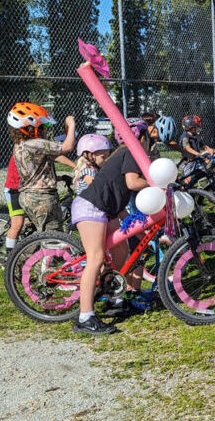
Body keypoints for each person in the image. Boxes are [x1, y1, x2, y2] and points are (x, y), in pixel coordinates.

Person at [70, 119, 151, 335]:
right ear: (141, 138)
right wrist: (156, 183)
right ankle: (85, 317)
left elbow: (119, 193)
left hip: (107, 209)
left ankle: (115, 298)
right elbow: (133, 183)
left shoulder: (123, 153)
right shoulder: (131, 152)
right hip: (91, 208)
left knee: (121, 251)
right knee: (96, 257)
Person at [8, 102, 76, 233]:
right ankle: (48, 253)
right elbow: (67, 147)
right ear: (29, 128)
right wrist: (71, 124)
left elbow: (36, 172)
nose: (46, 129)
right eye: (43, 126)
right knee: (53, 236)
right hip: (42, 198)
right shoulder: (35, 144)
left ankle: (23, 252)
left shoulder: (20, 145)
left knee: (41, 234)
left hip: (29, 195)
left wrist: (59, 177)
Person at [178, 115, 215, 182]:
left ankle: (199, 174)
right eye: (196, 127)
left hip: (196, 159)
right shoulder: (185, 137)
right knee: (188, 179)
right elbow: (187, 148)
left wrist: (211, 150)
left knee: (208, 158)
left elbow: (203, 145)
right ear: (190, 127)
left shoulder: (195, 135)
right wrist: (199, 154)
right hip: (188, 161)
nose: (198, 128)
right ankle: (185, 189)